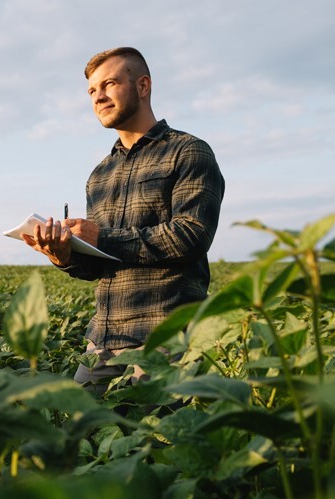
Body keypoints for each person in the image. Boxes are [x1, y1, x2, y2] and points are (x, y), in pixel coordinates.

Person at [21, 47, 225, 395]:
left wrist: (102, 237)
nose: (98, 97)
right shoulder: (99, 174)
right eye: (91, 91)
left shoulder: (188, 151)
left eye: (109, 84)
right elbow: (102, 265)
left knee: (155, 443)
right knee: (80, 438)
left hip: (166, 340)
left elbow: (191, 235)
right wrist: (65, 255)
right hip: (102, 342)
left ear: (143, 86)